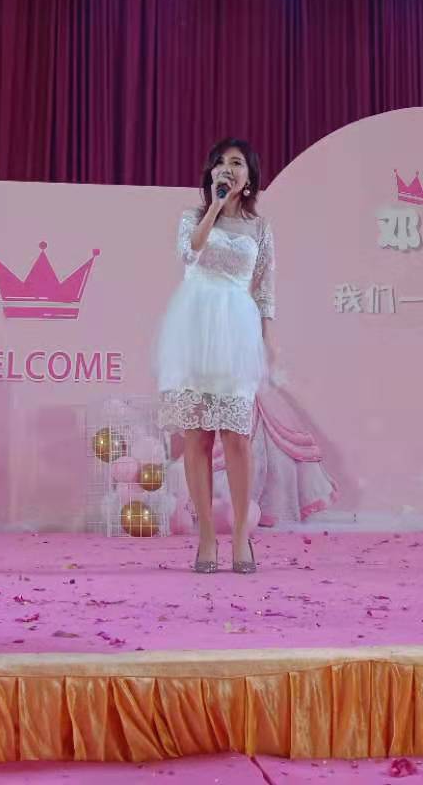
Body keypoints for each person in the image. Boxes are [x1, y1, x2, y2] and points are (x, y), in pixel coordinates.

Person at [155, 139, 275, 574]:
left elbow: (265, 288)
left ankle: (241, 537)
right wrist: (214, 207)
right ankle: (206, 537)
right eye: (220, 163)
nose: (227, 168)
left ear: (250, 177)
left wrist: (266, 340)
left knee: (237, 438)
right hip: (193, 328)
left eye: (236, 163)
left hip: (237, 332)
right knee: (198, 438)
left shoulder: (260, 228)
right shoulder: (192, 217)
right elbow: (191, 251)